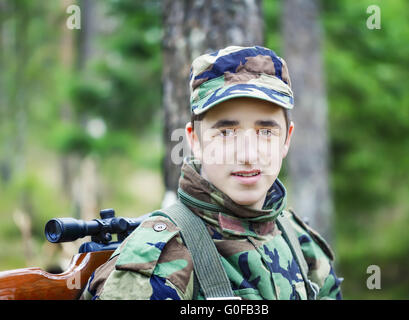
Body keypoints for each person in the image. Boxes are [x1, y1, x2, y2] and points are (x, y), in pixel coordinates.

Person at [80, 45, 343, 300]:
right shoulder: (157, 265)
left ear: (286, 140)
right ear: (194, 141)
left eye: (266, 132)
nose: (248, 154)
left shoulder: (301, 243)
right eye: (226, 133)